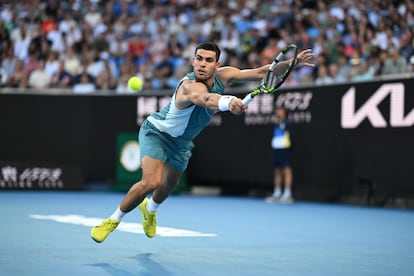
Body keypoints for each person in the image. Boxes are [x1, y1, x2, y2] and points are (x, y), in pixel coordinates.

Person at [90, 42, 315, 242]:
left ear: (217, 64)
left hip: (182, 143)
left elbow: (263, 71)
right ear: (193, 60)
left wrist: (293, 62)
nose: (202, 64)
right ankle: (113, 220)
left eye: (208, 60)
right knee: (151, 182)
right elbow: (206, 98)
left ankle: (149, 210)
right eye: (199, 59)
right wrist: (228, 101)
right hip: (156, 134)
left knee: (168, 185)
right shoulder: (189, 86)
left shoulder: (224, 75)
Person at [266, 107, 294, 204]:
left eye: (280, 111)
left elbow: (292, 138)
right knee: (277, 171)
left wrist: (288, 149)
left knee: (286, 171)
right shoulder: (276, 124)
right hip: (276, 150)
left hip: (284, 150)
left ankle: (287, 194)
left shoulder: (287, 124)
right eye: (277, 111)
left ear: (284, 113)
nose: (278, 113)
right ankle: (277, 193)